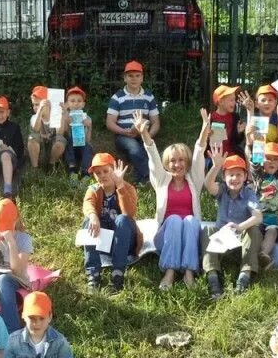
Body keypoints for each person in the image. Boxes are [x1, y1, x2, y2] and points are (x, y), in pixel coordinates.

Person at [138, 108, 208, 290]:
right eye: (172, 161)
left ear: (187, 161)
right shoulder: (162, 179)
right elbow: (153, 155)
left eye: (181, 160)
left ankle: (189, 272)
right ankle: (170, 271)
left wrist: (204, 130)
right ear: (167, 164)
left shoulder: (194, 180)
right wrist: (144, 133)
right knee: (175, 219)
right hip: (166, 237)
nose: (177, 165)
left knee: (191, 220)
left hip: (189, 236)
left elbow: (200, 153)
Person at [201, 153, 263, 299]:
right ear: (224, 177)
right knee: (207, 230)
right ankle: (213, 276)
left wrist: (240, 227)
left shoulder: (248, 194)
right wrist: (216, 166)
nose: (235, 178)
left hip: (241, 240)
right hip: (222, 239)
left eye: (238, 175)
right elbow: (208, 185)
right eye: (231, 175)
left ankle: (244, 277)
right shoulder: (222, 190)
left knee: (254, 230)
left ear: (245, 176)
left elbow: (258, 216)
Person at [81, 153, 141, 293]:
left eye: (106, 171)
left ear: (114, 170)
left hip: (124, 241)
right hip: (105, 241)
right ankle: (93, 274)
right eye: (98, 173)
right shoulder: (94, 189)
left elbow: (129, 213)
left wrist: (120, 185)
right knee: (88, 219)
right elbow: (87, 203)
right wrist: (93, 216)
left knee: (122, 219)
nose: (102, 175)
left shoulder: (127, 188)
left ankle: (117, 273)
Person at [0, 198, 34, 333]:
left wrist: (11, 243)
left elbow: (17, 270)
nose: (2, 231)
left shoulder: (23, 239)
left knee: (3, 279)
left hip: (16, 279)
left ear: (15, 221)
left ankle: (11, 330)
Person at [106, 60, 160, 185]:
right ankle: (148, 178)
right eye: (130, 76)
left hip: (144, 132)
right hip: (124, 135)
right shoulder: (117, 97)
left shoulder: (149, 97)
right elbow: (110, 123)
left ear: (142, 78)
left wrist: (148, 136)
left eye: (137, 76)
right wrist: (124, 131)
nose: (134, 79)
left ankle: (139, 179)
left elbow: (156, 122)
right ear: (125, 78)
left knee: (148, 147)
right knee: (134, 148)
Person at [248, 142, 278, 268]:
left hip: (274, 218)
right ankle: (250, 255)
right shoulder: (259, 176)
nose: (272, 162)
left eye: (276, 159)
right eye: (268, 158)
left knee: (272, 232)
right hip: (258, 217)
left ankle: (263, 255)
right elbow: (254, 163)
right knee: (255, 231)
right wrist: (257, 142)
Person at [26, 85, 67, 172]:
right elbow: (35, 129)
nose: (35, 107)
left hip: (53, 146)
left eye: (38, 104)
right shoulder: (35, 117)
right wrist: (40, 111)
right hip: (40, 147)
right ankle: (35, 168)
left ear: (48, 104)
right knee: (32, 138)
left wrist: (62, 115)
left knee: (60, 140)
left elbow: (60, 133)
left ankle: (51, 166)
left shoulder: (55, 116)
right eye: (34, 105)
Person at [63, 86, 94, 186]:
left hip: (82, 146)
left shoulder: (87, 118)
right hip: (70, 148)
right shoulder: (66, 117)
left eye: (79, 101)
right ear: (67, 104)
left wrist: (88, 127)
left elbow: (88, 139)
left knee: (88, 146)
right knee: (69, 141)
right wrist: (67, 123)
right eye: (72, 101)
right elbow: (64, 134)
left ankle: (86, 173)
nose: (76, 103)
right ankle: (72, 171)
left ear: (83, 104)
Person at [207, 84, 245, 162]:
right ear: (221, 102)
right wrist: (207, 136)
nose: (234, 103)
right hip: (214, 156)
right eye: (231, 100)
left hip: (231, 155)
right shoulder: (211, 118)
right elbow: (204, 141)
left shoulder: (235, 117)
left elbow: (237, 141)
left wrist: (238, 133)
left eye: (234, 99)